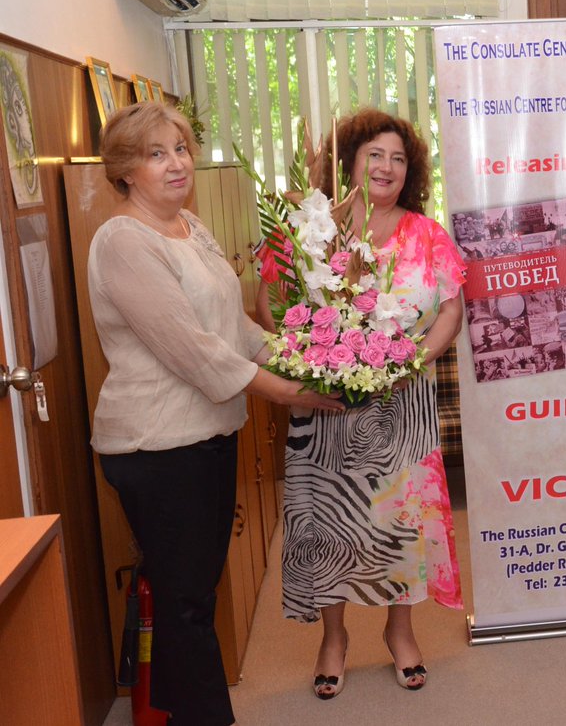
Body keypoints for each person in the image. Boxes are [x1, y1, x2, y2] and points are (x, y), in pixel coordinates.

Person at [89, 101, 344, 726]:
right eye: (156, 154)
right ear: (124, 170)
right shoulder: (123, 241)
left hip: (205, 436)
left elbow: (233, 328)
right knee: (186, 604)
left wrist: (309, 360)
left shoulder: (189, 226)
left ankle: (180, 713)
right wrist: (290, 394)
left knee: (191, 595)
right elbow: (195, 352)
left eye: (180, 148)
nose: (177, 163)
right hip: (157, 446)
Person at [256, 108, 466, 699]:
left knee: (402, 523)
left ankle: (400, 631)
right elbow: (270, 302)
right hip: (325, 404)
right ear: (349, 162)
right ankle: (334, 637)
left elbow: (451, 310)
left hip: (404, 406)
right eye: (375, 154)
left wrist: (411, 363)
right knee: (328, 522)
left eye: (398, 158)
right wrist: (309, 354)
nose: (387, 167)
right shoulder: (309, 229)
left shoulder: (427, 235)